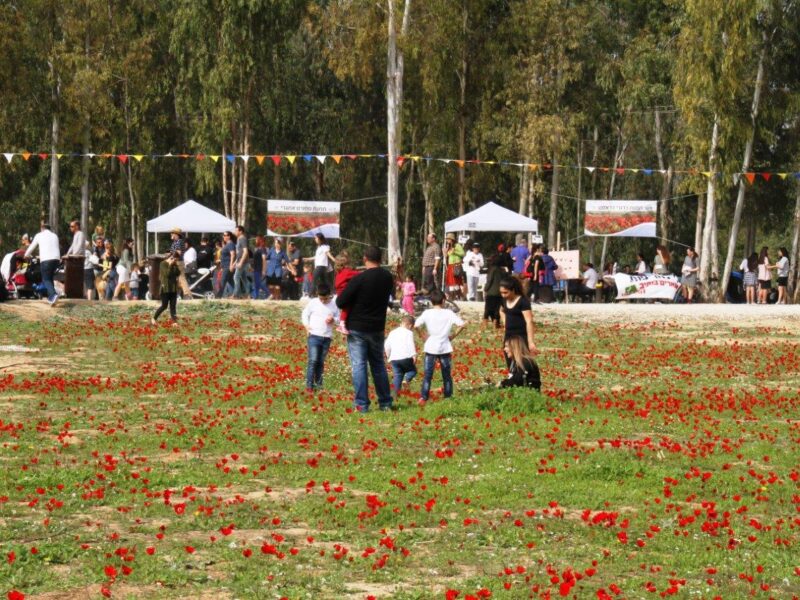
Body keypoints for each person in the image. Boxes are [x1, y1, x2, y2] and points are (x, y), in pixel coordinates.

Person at [335, 245, 394, 413]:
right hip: (377, 327)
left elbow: (340, 301)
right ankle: (385, 403)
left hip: (357, 328)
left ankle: (362, 405)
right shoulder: (388, 277)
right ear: (381, 259)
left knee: (359, 366)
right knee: (378, 365)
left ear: (364, 259)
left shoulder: (359, 279)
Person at [414, 288, 465, 405]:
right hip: (445, 347)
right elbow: (462, 325)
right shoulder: (449, 313)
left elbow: (416, 325)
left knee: (428, 375)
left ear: (431, 301)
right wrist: (452, 336)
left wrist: (422, 335)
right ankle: (448, 396)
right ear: (443, 300)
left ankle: (423, 397)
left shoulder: (427, 313)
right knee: (446, 375)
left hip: (430, 346)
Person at [301, 282, 340, 392]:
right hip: (314, 335)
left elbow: (339, 318)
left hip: (326, 337)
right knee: (313, 361)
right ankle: (309, 386)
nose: (323, 301)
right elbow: (305, 314)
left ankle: (319, 385)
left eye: (325, 299)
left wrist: (333, 320)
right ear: (317, 294)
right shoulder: (313, 302)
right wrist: (306, 326)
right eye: (321, 298)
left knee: (320, 362)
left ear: (330, 295)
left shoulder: (334, 304)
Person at [499, 276, 536, 365]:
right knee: (510, 362)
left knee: (521, 362)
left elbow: (529, 321)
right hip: (508, 336)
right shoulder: (504, 300)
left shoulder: (523, 301)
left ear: (513, 290)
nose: (503, 295)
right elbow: (501, 310)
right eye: (501, 293)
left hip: (520, 337)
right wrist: (505, 322)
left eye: (505, 292)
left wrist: (530, 342)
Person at [25, 221, 61, 305]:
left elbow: (32, 247)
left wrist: (26, 255)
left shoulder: (39, 235)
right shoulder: (55, 235)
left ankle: (53, 295)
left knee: (46, 279)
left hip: (46, 260)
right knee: (50, 278)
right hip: (56, 260)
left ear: (42, 228)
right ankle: (51, 297)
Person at [384, 315, 417, 401]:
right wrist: (414, 355)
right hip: (406, 357)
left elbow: (387, 345)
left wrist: (388, 355)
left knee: (398, 375)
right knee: (412, 371)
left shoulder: (392, 332)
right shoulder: (409, 333)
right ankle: (406, 379)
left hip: (394, 358)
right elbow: (410, 344)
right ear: (410, 325)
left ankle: (394, 395)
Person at [333, 251, 359, 333]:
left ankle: (342, 323)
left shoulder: (338, 272)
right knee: (347, 307)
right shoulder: (347, 272)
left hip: (339, 292)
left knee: (345, 308)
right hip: (344, 292)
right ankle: (342, 324)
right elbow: (357, 274)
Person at [151, 253, 180, 325]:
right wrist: (170, 265)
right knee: (164, 306)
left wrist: (175, 265)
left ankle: (174, 322)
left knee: (173, 306)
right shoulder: (162, 264)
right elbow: (167, 274)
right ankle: (154, 318)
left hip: (173, 288)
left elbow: (178, 273)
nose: (175, 260)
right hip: (165, 289)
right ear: (171, 257)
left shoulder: (174, 264)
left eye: (176, 259)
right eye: (175, 259)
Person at [168, 227, 192, 299]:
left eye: (172, 233)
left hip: (178, 262)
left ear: (176, 234)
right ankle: (177, 295)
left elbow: (178, 253)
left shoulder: (180, 241)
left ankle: (188, 295)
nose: (171, 234)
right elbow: (171, 252)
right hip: (174, 261)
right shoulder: (175, 242)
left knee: (182, 278)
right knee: (176, 280)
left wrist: (172, 259)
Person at [483, 254, 504, 327]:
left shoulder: (492, 269)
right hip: (500, 292)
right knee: (497, 308)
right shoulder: (502, 270)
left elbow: (489, 280)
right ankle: (496, 322)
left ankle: (485, 322)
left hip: (491, 292)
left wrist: (485, 288)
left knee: (488, 308)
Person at [216, 231, 236, 298]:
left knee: (222, 281)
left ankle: (218, 296)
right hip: (225, 266)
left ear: (229, 236)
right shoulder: (227, 244)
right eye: (223, 235)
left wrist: (231, 265)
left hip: (227, 266)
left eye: (225, 235)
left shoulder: (230, 244)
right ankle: (236, 294)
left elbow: (233, 254)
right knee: (230, 281)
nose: (224, 236)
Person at [444, 234, 465, 299]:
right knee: (451, 282)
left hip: (456, 265)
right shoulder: (449, 246)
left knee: (455, 282)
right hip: (450, 265)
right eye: (447, 239)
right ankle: (454, 296)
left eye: (448, 239)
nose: (447, 240)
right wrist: (445, 252)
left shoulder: (457, 245)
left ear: (451, 239)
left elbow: (463, 253)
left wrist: (455, 251)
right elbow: (448, 255)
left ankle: (457, 295)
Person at [232, 225, 250, 299]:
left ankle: (236, 295)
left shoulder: (242, 239)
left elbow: (245, 252)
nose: (235, 232)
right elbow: (239, 253)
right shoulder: (239, 239)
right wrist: (235, 262)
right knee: (244, 278)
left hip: (242, 262)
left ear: (241, 231)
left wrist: (241, 263)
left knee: (236, 277)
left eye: (236, 230)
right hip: (240, 261)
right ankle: (248, 294)